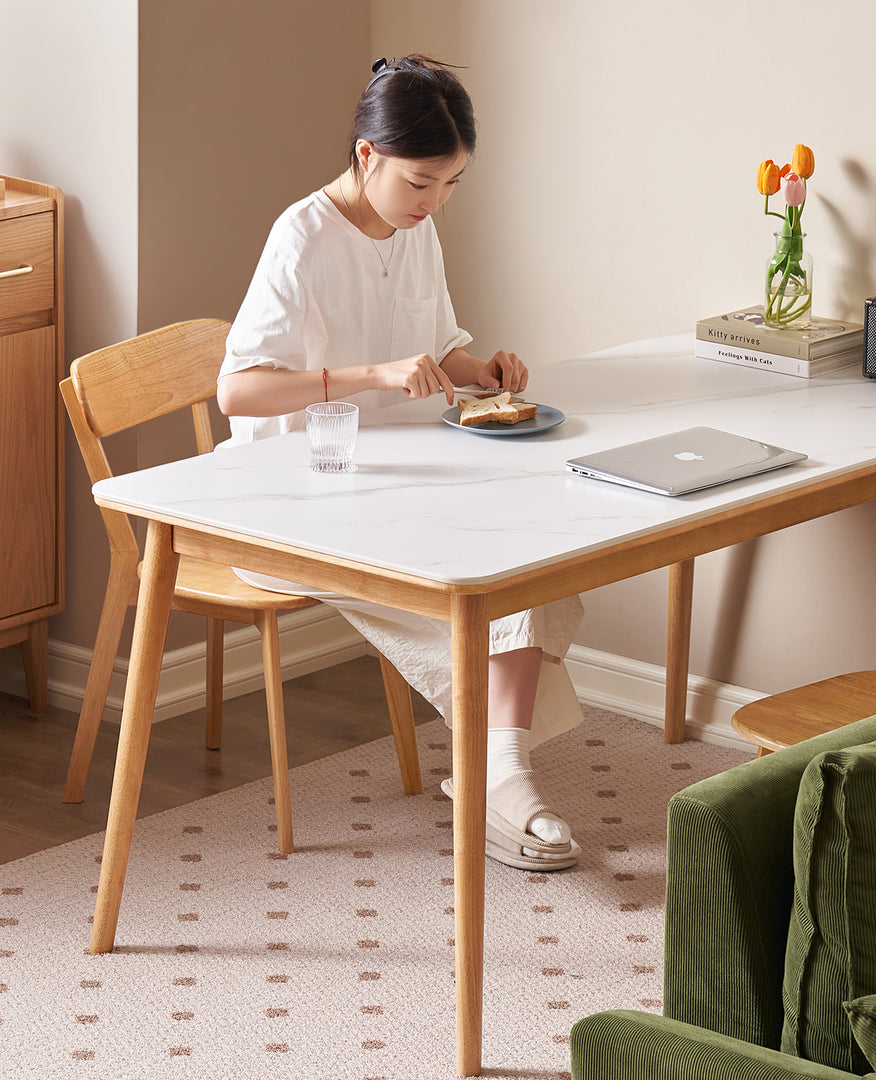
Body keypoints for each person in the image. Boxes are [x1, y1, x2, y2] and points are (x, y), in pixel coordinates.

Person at [217, 55, 584, 871]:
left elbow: (436, 348)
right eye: (421, 183)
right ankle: (503, 782)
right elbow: (237, 393)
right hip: (295, 494)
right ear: (365, 156)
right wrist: (371, 378)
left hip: (400, 473)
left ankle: (495, 775)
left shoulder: (417, 230)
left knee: (542, 563)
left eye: (451, 185)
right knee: (488, 585)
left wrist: (480, 370)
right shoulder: (302, 239)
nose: (435, 203)